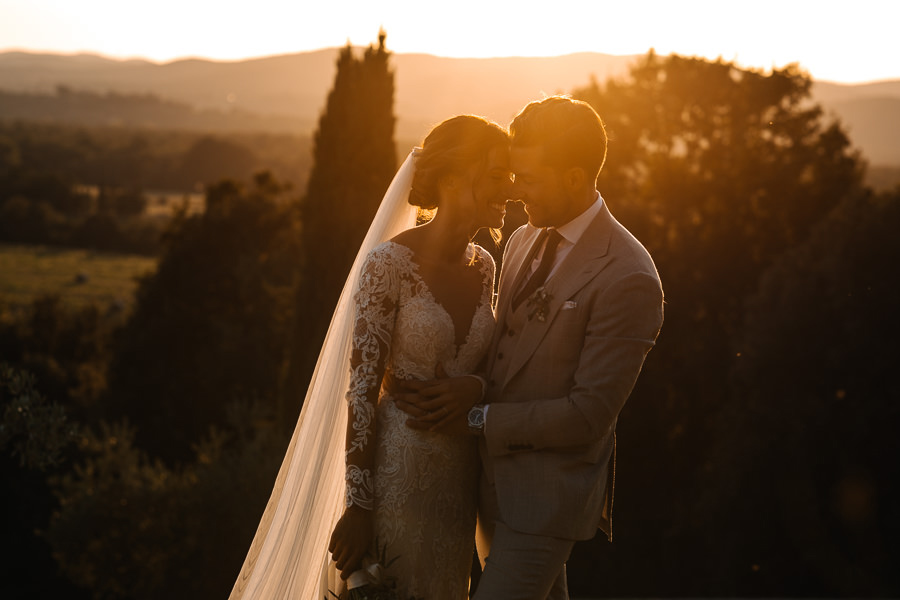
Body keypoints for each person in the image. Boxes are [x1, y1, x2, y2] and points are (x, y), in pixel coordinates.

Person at [228, 115, 511, 600]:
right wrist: (359, 505)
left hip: (460, 481)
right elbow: (361, 389)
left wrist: (478, 389)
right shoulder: (388, 264)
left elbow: (492, 367)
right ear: (450, 178)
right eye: (495, 175)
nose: (508, 188)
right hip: (396, 473)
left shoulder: (485, 266)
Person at [395, 96, 664, 599]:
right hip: (484, 488)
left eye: (530, 178)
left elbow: (588, 415)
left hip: (546, 504)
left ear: (574, 177)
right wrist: (472, 386)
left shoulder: (629, 277)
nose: (515, 193)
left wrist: (474, 418)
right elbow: (505, 353)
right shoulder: (521, 238)